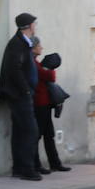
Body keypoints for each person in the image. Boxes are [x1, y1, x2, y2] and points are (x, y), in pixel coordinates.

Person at [0, 12, 41, 181]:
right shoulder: (17, 44)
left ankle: (19, 168)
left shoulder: (23, 43)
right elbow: (14, 69)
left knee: (20, 131)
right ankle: (27, 168)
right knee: (30, 131)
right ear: (29, 26)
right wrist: (26, 90)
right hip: (19, 95)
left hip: (21, 94)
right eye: (34, 24)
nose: (35, 27)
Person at [31, 40, 70, 174]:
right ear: (33, 48)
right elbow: (50, 76)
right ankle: (36, 165)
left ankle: (55, 163)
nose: (41, 47)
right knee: (38, 135)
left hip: (45, 104)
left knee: (49, 135)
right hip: (39, 104)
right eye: (39, 46)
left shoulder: (37, 63)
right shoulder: (33, 63)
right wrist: (48, 68)